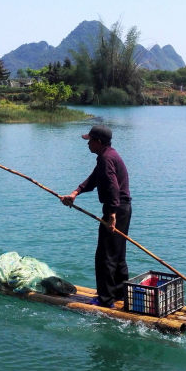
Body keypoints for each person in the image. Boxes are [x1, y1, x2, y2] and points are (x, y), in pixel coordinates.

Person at [60, 125, 132, 308]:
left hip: (116, 210)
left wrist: (112, 214)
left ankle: (105, 299)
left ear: (98, 142)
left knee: (105, 255)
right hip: (121, 209)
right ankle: (120, 294)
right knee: (117, 253)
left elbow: (113, 187)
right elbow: (93, 179)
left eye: (90, 140)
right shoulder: (107, 156)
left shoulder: (107, 159)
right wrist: (75, 193)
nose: (87, 144)